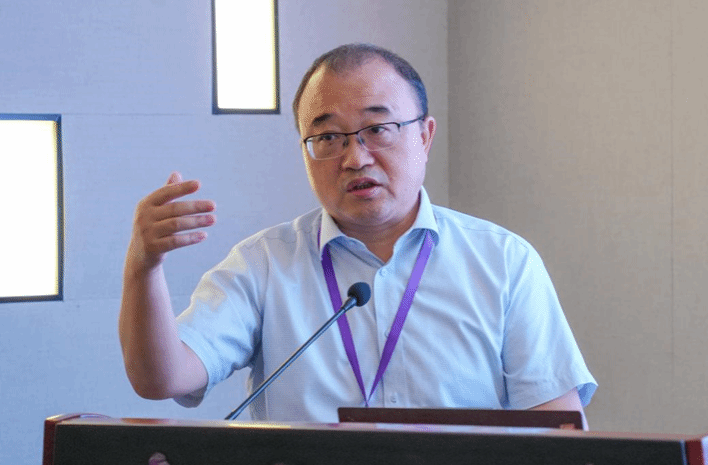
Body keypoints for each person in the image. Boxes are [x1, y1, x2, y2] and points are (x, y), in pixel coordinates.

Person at [119, 43, 596, 425]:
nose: (355, 158)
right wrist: (144, 266)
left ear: (425, 135)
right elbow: (162, 378)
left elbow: (557, 427)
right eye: (328, 138)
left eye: (378, 129)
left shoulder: (503, 261)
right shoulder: (264, 264)